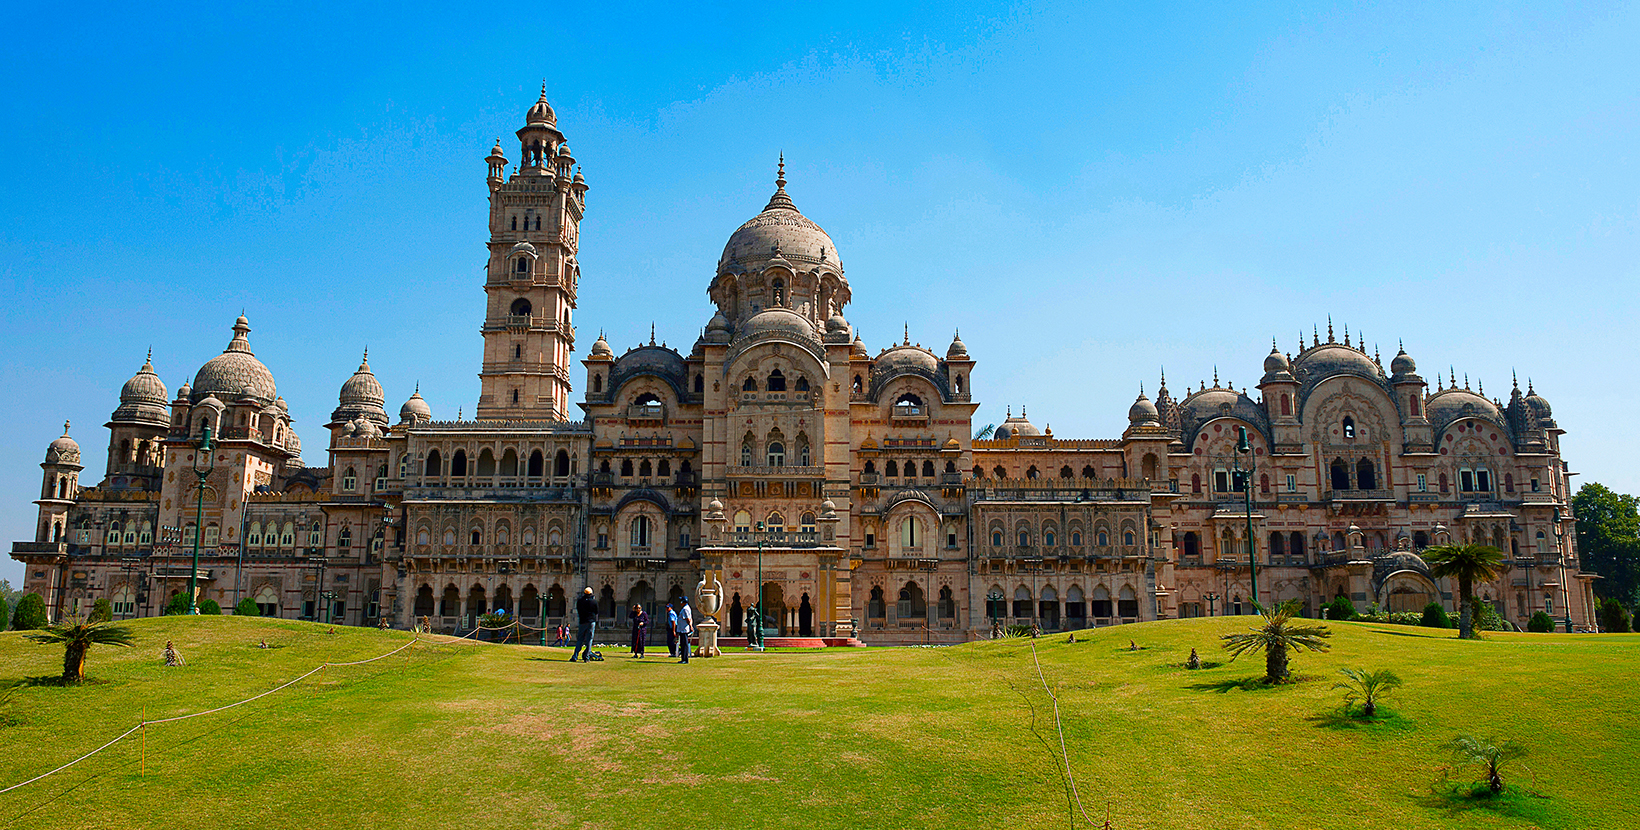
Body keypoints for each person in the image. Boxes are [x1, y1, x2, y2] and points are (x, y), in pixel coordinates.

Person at [571, 587, 598, 663]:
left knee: (580, 639)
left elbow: (578, 610)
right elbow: (596, 611)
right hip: (591, 621)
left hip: (582, 621)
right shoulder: (593, 601)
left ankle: (575, 656)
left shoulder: (580, 601)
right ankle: (586, 657)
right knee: (589, 640)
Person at [675, 596, 694, 664]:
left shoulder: (685, 609)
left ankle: (685, 659)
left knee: (684, 644)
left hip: (683, 629)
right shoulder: (686, 608)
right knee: (683, 644)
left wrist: (690, 626)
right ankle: (683, 658)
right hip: (682, 629)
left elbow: (688, 619)